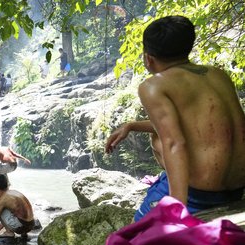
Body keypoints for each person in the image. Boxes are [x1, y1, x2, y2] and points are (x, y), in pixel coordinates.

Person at [105, 15, 245, 222]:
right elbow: (200, 128)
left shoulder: (153, 86)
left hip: (201, 193)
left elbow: (174, 142)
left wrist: (176, 208)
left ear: (148, 57)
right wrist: (131, 125)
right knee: (157, 134)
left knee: (135, 233)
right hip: (237, 186)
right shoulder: (218, 74)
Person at [0, 174, 38, 240]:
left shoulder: (4, 199)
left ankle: (9, 232)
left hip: (21, 227)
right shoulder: (14, 192)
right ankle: (23, 234)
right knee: (5, 208)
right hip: (31, 225)